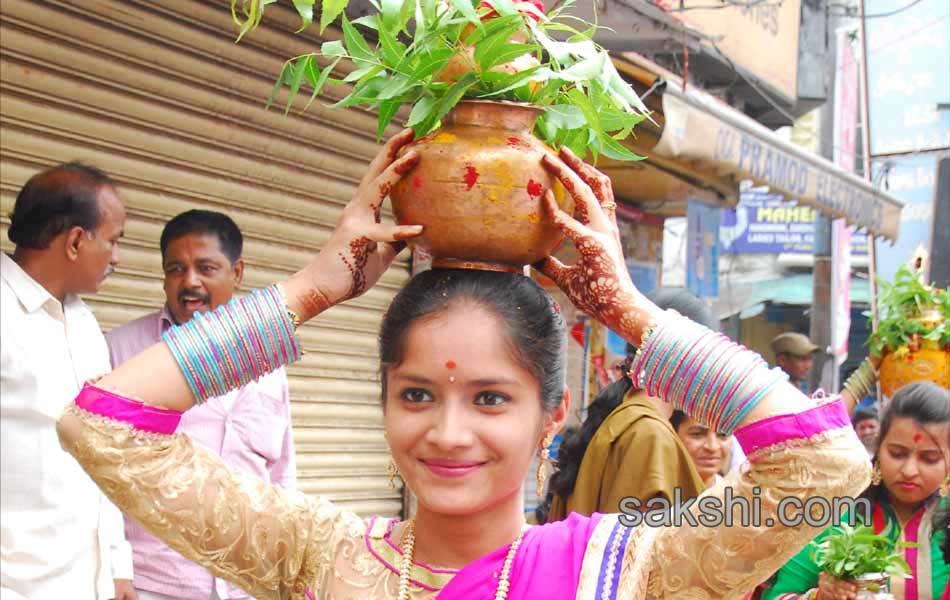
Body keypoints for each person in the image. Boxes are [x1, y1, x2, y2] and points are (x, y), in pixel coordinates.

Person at [55, 131, 871, 600]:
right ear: (383, 402)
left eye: (490, 398)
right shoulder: (320, 554)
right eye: (416, 393)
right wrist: (304, 293)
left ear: (552, 415)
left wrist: (634, 318)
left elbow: (826, 465)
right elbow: (101, 424)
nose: (448, 433)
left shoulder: (632, 565)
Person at [105, 210, 297, 600]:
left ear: (237, 272)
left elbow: (280, 473)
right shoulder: (121, 352)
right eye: (176, 269)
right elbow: (98, 474)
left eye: (206, 268)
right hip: (156, 583)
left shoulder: (267, 359)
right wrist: (114, 568)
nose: (190, 282)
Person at [1, 162, 135, 600]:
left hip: (86, 584)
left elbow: (102, 448)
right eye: (113, 241)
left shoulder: (84, 325)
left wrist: (116, 564)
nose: (118, 258)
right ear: (77, 240)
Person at [762, 381, 949, 600]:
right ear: (878, 448)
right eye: (897, 454)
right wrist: (820, 596)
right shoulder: (836, 514)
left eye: (929, 459)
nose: (909, 470)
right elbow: (776, 596)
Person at [541, 288, 715, 523]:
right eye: (713, 358)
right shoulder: (650, 434)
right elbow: (640, 553)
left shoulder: (625, 415)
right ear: (688, 360)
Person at [669, 411, 732, 488]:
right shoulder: (657, 492)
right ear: (673, 435)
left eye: (723, 435)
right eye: (697, 434)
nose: (712, 447)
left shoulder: (739, 495)